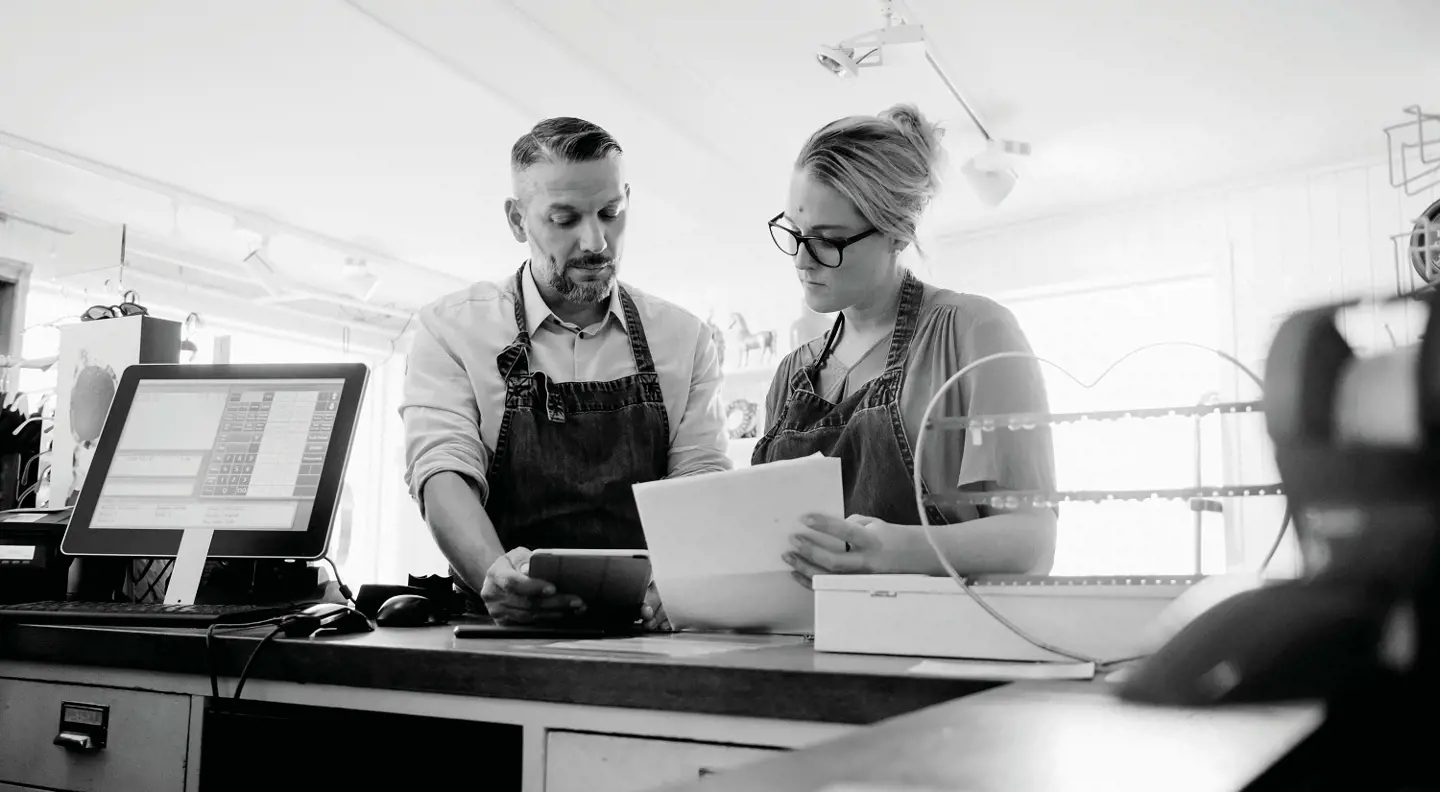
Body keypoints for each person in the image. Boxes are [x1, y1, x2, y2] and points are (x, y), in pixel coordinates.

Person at [401, 117, 730, 627]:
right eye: (565, 219)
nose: (596, 241)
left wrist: (682, 579)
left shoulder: (685, 339)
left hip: (647, 625)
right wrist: (495, 574)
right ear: (517, 220)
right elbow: (442, 470)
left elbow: (700, 475)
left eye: (610, 213)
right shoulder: (450, 329)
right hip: (498, 628)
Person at [756, 104, 1058, 586]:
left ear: (897, 234)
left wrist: (896, 550)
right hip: (805, 648)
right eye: (794, 231)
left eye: (828, 241)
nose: (801, 260)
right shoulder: (792, 375)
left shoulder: (974, 333)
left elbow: (1033, 541)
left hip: (937, 648)